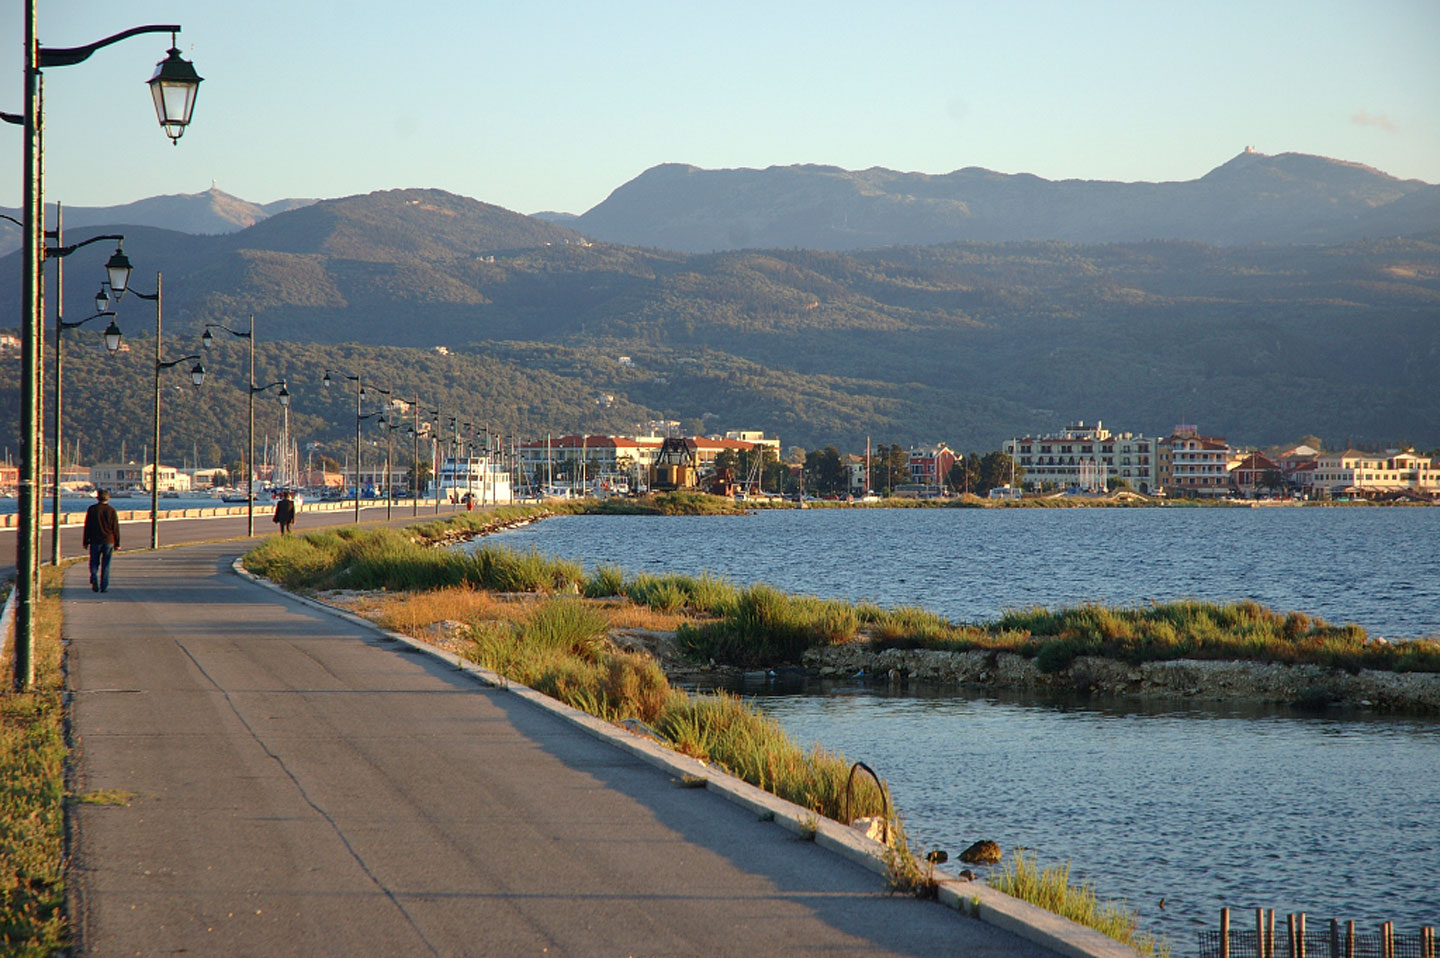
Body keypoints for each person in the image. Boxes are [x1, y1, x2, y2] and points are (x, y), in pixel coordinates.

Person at [83, 489, 121, 593]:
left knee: (94, 562)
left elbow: (87, 526)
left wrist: (85, 541)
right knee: (106, 564)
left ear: (97, 498)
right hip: (108, 540)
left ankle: (94, 576)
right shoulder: (111, 510)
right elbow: (115, 528)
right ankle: (104, 586)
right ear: (108, 498)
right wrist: (117, 543)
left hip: (95, 540)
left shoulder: (92, 509)